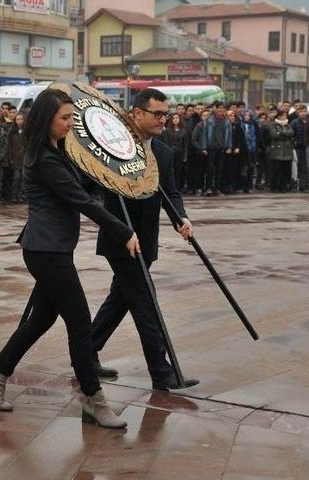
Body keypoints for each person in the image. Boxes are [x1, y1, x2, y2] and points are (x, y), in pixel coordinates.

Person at [0, 88, 139, 429]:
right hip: (46, 250)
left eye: (71, 118)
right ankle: (93, 401)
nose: (70, 124)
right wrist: (123, 232)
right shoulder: (45, 159)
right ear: (45, 120)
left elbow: (86, 186)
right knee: (80, 325)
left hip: (51, 247)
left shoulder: (57, 150)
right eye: (64, 118)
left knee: (40, 321)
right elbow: (82, 200)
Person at [90, 88, 197, 391]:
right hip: (121, 239)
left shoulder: (163, 152)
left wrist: (181, 218)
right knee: (145, 302)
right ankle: (161, 373)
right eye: (158, 114)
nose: (165, 119)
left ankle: (85, 352)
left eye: (166, 113)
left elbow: (171, 192)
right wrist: (122, 231)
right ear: (137, 113)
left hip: (147, 240)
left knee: (119, 300)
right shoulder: (113, 148)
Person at [191, 102, 232, 196]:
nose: (221, 110)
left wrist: (229, 146)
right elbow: (204, 135)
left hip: (221, 147)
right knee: (210, 169)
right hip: (211, 147)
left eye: (222, 108)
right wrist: (204, 147)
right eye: (219, 108)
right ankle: (209, 188)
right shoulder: (209, 121)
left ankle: (217, 188)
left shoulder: (226, 121)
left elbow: (229, 135)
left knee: (219, 169)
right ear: (215, 109)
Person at [268, 110, 295, 193]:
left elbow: (291, 133)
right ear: (279, 116)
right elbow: (274, 135)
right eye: (283, 115)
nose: (285, 117)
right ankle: (274, 186)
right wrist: (285, 135)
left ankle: (283, 187)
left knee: (286, 171)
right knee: (276, 170)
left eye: (285, 115)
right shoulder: (273, 124)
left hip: (287, 151)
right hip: (277, 151)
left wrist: (282, 133)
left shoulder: (288, 124)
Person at [162, 113, 187, 192]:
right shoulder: (167, 131)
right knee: (171, 171)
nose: (175, 120)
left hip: (180, 153)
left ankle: (177, 187)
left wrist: (185, 155)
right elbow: (166, 143)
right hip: (171, 153)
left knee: (179, 171)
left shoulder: (183, 131)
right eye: (174, 118)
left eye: (177, 118)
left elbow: (185, 144)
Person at [6, 112, 26, 202]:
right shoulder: (12, 131)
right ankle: (13, 196)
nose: (19, 121)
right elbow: (9, 146)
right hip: (15, 158)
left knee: (23, 178)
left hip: (24, 158)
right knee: (16, 178)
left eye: (21, 119)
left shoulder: (26, 131)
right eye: (17, 119)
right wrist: (10, 158)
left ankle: (20, 196)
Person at [290, 106, 309, 192]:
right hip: (296, 148)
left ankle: (303, 186)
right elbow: (291, 135)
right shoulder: (294, 122)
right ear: (298, 112)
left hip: (307, 148)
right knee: (294, 168)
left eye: (304, 111)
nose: (303, 113)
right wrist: (294, 143)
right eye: (301, 111)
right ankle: (293, 186)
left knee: (304, 167)